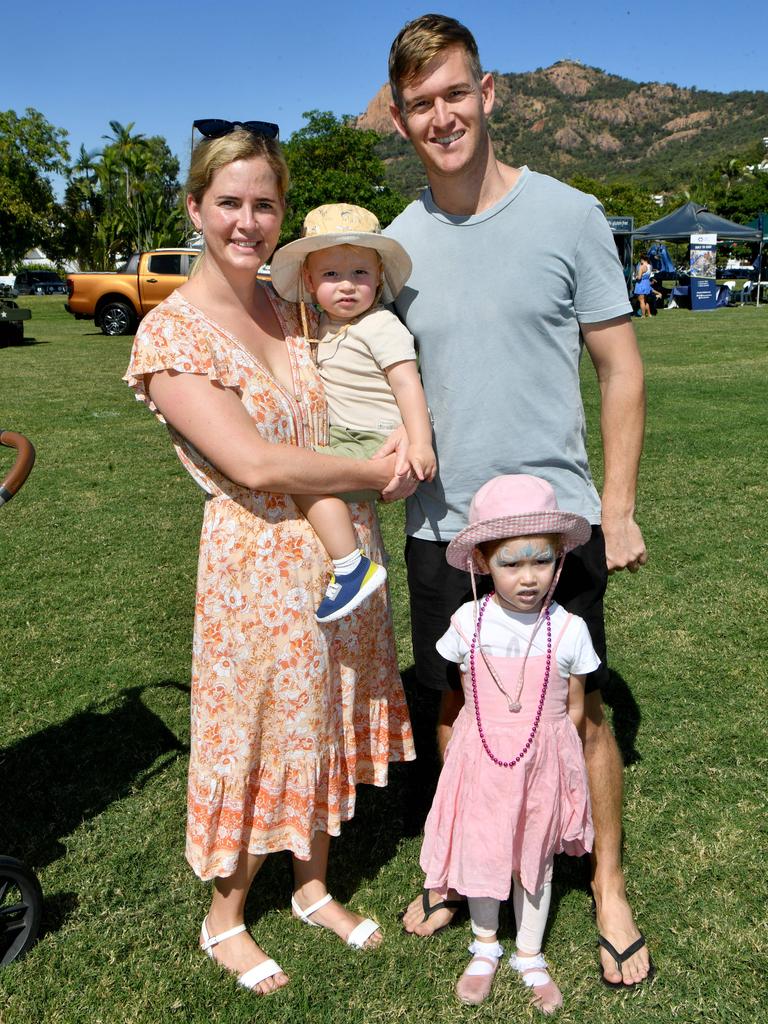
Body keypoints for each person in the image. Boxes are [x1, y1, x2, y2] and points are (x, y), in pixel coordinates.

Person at [382, 14, 653, 988]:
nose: (442, 115)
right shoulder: (394, 248)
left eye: (455, 93)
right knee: (453, 708)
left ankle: (609, 885)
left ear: (488, 93)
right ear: (403, 119)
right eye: (421, 103)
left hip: (552, 525)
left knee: (577, 710)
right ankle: (460, 862)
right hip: (441, 525)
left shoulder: (570, 215)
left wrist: (615, 508)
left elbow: (621, 369)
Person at [123, 123, 416, 996]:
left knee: (324, 717)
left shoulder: (296, 308)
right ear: (195, 208)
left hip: (342, 551)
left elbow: (358, 385)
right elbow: (253, 462)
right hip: (256, 567)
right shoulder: (171, 333)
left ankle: (314, 886)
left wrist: (399, 442)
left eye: (264, 204)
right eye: (229, 203)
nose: (247, 221)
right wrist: (368, 470)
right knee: (254, 733)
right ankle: (226, 915)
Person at [421, 475, 597, 1009]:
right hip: (482, 759)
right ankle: (484, 945)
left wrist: (566, 772)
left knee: (534, 855)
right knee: (483, 847)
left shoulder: (570, 630)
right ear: (482, 562)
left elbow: (578, 710)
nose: (527, 578)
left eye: (540, 562)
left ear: (558, 559)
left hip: (541, 762)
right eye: (510, 563)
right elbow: (459, 693)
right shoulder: (466, 622)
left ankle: (529, 953)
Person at [269, 203, 436, 622]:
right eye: (331, 275)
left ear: (379, 278)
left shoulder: (381, 326)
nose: (346, 286)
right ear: (309, 281)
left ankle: (350, 566)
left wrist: (420, 443)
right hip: (346, 435)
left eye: (359, 273)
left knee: (301, 477)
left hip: (370, 438)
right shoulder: (322, 326)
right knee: (302, 471)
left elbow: (407, 383)